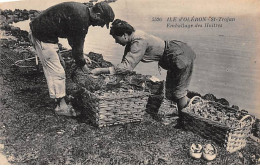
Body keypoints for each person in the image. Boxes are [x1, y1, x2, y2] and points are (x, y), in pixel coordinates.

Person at [90, 19, 196, 128]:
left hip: (180, 56)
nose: (116, 42)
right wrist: (114, 81)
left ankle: (184, 123)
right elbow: (124, 65)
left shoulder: (138, 42)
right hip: (175, 54)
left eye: (116, 38)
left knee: (178, 93)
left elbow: (126, 67)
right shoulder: (134, 39)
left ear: (125, 35)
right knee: (171, 92)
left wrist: (100, 70)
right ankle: (190, 108)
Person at [29, 2, 115, 116]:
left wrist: (81, 55)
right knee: (56, 72)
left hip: (47, 34)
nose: (100, 25)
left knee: (61, 65)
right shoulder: (82, 19)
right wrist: (84, 66)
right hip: (41, 35)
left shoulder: (83, 12)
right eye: (102, 22)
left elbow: (73, 39)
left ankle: (61, 97)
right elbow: (77, 45)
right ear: (97, 14)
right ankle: (61, 107)